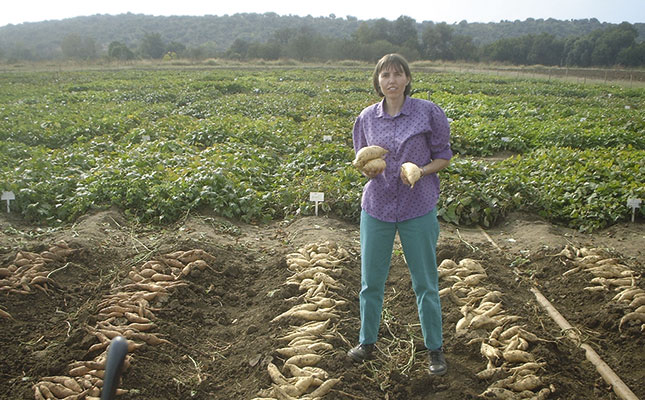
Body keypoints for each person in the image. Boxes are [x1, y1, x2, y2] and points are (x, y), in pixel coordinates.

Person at [347, 53, 452, 376]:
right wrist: (368, 171)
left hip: (417, 205)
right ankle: (367, 342)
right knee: (371, 281)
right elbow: (362, 158)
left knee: (425, 282)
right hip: (377, 207)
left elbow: (444, 156)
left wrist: (420, 171)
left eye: (397, 74)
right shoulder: (366, 118)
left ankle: (434, 349)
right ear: (378, 82)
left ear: (407, 78)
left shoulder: (428, 112)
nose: (391, 80)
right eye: (384, 75)